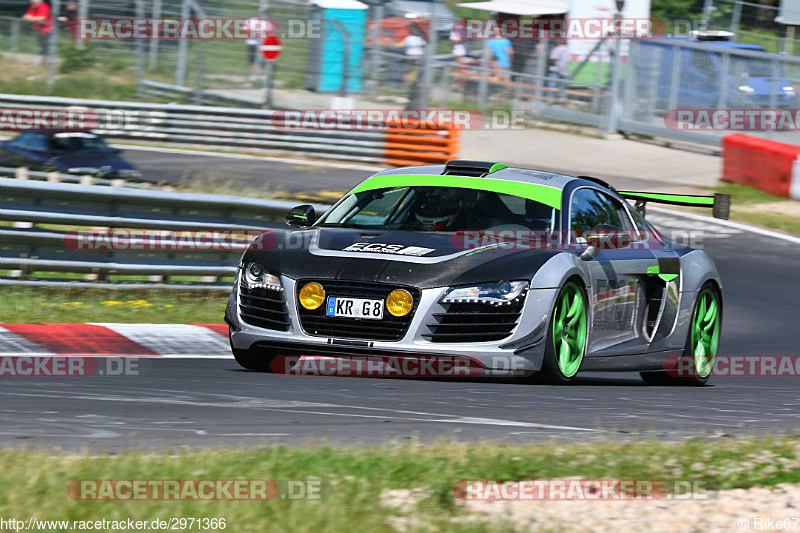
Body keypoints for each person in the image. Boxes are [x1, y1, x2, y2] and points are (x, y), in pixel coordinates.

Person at [22, 0, 53, 65]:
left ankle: (44, 60)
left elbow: (42, 18)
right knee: (41, 45)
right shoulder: (32, 7)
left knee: (44, 45)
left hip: (47, 29)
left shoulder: (44, 6)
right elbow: (25, 17)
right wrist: (32, 18)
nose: (32, 2)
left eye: (33, 2)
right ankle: (43, 60)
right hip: (39, 29)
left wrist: (31, 18)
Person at [245, 14, 269, 81]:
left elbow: (267, 31)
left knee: (262, 59)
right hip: (252, 42)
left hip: (262, 42)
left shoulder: (266, 21)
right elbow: (247, 30)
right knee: (252, 59)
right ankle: (253, 74)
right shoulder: (251, 20)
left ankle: (262, 74)